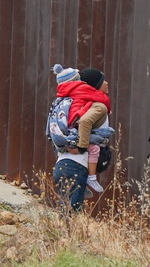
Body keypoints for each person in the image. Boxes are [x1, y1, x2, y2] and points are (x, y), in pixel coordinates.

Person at [52, 67, 110, 212]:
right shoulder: (97, 106)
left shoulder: (70, 103)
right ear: (95, 85)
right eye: (103, 81)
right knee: (71, 215)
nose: (107, 83)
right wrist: (82, 147)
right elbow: (85, 122)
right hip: (76, 165)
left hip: (62, 164)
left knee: (66, 212)